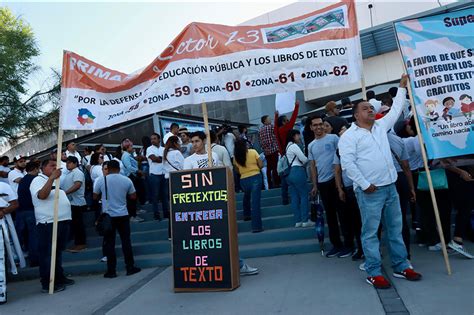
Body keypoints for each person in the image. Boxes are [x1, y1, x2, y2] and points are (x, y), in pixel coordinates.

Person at [339, 74, 422, 289]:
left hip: (390, 187)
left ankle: (401, 265)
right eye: (365, 108)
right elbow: (348, 165)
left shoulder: (380, 126)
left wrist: (401, 88)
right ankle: (373, 271)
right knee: (370, 233)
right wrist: (365, 185)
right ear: (356, 114)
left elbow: (396, 110)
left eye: (371, 107)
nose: (370, 110)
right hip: (369, 192)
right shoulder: (349, 136)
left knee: (395, 229)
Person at [181, 136, 257, 276]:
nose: (194, 144)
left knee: (224, 235)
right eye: (192, 142)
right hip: (200, 206)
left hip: (216, 202)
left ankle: (238, 266)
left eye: (197, 141)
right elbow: (187, 183)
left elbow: (222, 173)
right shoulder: (188, 161)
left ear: (204, 141)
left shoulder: (214, 155)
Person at [308, 115, 352, 258]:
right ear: (311, 128)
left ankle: (349, 245)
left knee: (343, 214)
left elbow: (342, 157)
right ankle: (336, 245)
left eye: (320, 124)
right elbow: (312, 166)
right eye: (315, 125)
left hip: (336, 181)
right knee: (331, 216)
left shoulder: (334, 139)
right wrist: (315, 185)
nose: (318, 127)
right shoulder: (311, 145)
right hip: (322, 184)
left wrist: (340, 184)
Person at [30, 159, 74, 293]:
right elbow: (42, 195)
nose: (55, 168)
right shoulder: (38, 180)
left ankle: (58, 277)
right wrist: (52, 178)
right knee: (47, 254)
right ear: (42, 168)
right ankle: (47, 282)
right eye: (52, 166)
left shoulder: (56, 180)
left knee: (57, 252)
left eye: (56, 166)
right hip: (48, 222)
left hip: (62, 220)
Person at [93, 160, 141, 278]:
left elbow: (94, 196)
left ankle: (111, 270)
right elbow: (133, 196)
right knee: (126, 241)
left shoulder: (101, 180)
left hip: (108, 216)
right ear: (119, 168)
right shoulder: (126, 180)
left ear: (107, 168)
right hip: (123, 214)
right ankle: (130, 267)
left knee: (109, 243)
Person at [285, 130, 314, 228]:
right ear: (294, 136)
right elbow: (304, 159)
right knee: (304, 196)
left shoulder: (287, 147)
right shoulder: (294, 146)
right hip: (298, 171)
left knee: (294, 198)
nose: (299, 137)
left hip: (290, 173)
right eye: (298, 135)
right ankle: (305, 220)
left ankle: (298, 221)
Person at [233, 139, 263, 233]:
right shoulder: (253, 152)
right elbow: (261, 165)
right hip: (255, 177)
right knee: (255, 203)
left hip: (243, 179)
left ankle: (246, 215)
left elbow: (237, 170)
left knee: (246, 196)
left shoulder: (235, 157)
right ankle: (256, 227)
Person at [15, 161, 40, 266]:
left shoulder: (23, 180)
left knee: (26, 236)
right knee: (34, 235)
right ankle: (35, 259)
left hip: (21, 212)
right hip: (31, 210)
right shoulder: (34, 179)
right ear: (34, 169)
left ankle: (29, 258)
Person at [275, 100, 299, 205]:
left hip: (282, 155)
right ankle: (297, 196)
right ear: (284, 122)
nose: (288, 121)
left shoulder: (277, 130)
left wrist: (276, 116)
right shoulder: (286, 128)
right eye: (286, 120)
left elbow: (275, 125)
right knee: (295, 176)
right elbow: (294, 118)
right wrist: (296, 106)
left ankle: (285, 199)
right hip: (291, 154)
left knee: (284, 178)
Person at [62, 156, 87, 253]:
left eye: (70, 162)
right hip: (71, 203)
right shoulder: (70, 173)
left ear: (75, 163)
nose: (67, 164)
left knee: (78, 225)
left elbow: (77, 185)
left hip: (77, 203)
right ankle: (78, 243)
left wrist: (65, 193)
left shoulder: (77, 172)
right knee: (75, 224)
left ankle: (81, 244)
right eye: (67, 162)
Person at [163, 135, 185, 239]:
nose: (180, 145)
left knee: (172, 209)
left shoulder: (165, 154)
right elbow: (183, 167)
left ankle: (170, 234)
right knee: (181, 206)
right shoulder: (176, 153)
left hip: (167, 181)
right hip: (178, 180)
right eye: (179, 143)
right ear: (175, 143)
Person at [121, 139, 145, 223]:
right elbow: (129, 167)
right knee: (132, 197)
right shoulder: (126, 155)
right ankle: (132, 215)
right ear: (127, 147)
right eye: (131, 146)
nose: (133, 148)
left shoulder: (128, 155)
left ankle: (134, 213)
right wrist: (138, 171)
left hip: (133, 177)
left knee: (134, 196)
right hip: (130, 177)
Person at [147, 133, 167, 221]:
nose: (152, 140)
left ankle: (166, 213)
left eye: (154, 138)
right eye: (151, 139)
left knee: (165, 196)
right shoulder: (149, 149)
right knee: (155, 196)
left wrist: (160, 158)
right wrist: (162, 158)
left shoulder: (164, 149)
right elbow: (155, 159)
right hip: (154, 175)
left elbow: (167, 159)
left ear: (159, 139)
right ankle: (156, 214)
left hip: (164, 174)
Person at [258, 115, 280, 189]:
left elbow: (260, 141)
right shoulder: (271, 127)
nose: (270, 120)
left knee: (269, 168)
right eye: (269, 119)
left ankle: (270, 184)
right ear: (265, 121)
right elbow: (277, 130)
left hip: (266, 152)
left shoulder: (260, 130)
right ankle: (276, 183)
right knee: (275, 167)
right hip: (273, 150)